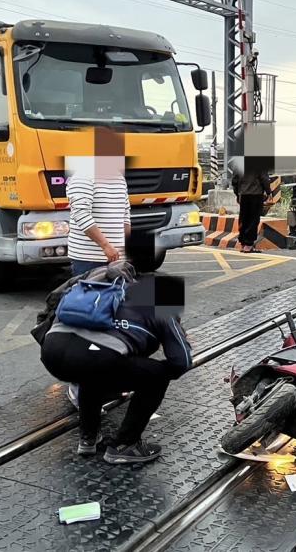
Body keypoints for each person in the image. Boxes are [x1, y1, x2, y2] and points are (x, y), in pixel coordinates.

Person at [38, 260, 193, 464]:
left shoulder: (93, 283)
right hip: (95, 358)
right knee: (155, 375)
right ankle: (126, 445)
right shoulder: (159, 303)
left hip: (51, 352)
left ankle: (88, 438)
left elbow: (49, 309)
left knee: (94, 369)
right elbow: (181, 360)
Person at [66, 129, 131, 276]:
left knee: (115, 297)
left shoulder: (119, 179)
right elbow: (81, 214)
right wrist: (106, 246)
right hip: (88, 259)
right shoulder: (83, 176)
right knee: (90, 298)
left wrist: (123, 247)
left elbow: (125, 215)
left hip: (116, 258)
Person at [232, 159, 272, 253]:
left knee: (244, 219)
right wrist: (269, 191)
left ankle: (243, 243)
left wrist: (238, 194)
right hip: (255, 194)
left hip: (243, 194)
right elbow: (264, 178)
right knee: (253, 220)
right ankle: (249, 245)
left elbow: (234, 180)